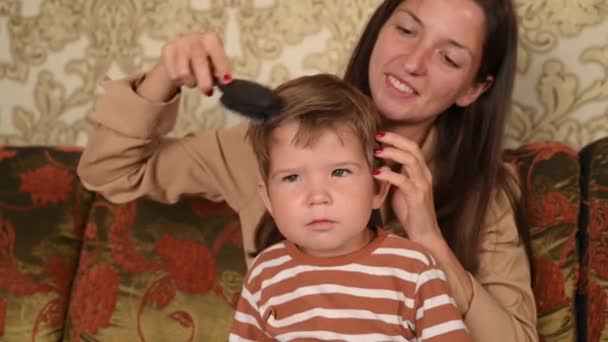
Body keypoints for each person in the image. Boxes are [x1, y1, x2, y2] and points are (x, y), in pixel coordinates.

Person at [77, 0, 538, 340]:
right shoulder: (271, 141)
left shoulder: (487, 192)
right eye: (406, 30)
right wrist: (165, 76)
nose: (413, 63)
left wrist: (430, 240)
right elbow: (109, 173)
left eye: (449, 57)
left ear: (474, 88)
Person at [230, 73, 472, 341]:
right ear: (268, 200)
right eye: (292, 177)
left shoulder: (413, 268)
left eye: (340, 172)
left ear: (378, 189)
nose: (317, 196)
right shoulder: (265, 274)